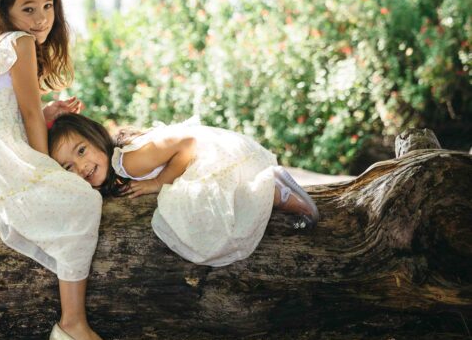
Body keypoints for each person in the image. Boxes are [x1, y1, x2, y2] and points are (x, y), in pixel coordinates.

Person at [0, 0, 120, 340]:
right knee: (81, 200)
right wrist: (46, 172)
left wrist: (48, 115)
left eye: (48, 5)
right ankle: (72, 324)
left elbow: (7, 115)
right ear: (4, 10)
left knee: (73, 191)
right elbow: (26, 115)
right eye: (28, 8)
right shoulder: (18, 43)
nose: (41, 17)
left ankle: (73, 323)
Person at [48, 114, 319, 267]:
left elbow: (187, 143)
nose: (81, 166)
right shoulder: (117, 168)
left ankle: (272, 190)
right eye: (69, 167)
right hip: (205, 161)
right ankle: (271, 191)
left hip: (212, 157)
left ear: (96, 137)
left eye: (82, 151)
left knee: (196, 215)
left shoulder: (128, 161)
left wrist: (158, 183)